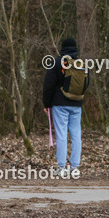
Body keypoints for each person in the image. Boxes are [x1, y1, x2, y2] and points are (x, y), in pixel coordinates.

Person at [42, 38, 86, 174]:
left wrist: (47, 104)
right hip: (77, 105)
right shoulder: (82, 64)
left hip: (59, 104)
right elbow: (86, 84)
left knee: (61, 135)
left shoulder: (56, 62)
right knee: (76, 135)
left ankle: (61, 167)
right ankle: (75, 167)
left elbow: (48, 85)